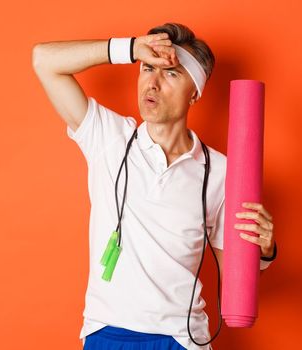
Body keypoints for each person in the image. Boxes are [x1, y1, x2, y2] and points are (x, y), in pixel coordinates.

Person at [32, 22, 277, 350]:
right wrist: (130, 48)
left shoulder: (222, 173)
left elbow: (232, 279)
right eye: (148, 68)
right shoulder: (108, 136)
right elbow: (44, 61)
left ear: (195, 94)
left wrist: (263, 252)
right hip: (107, 333)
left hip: (182, 339)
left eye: (171, 73)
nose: (153, 82)